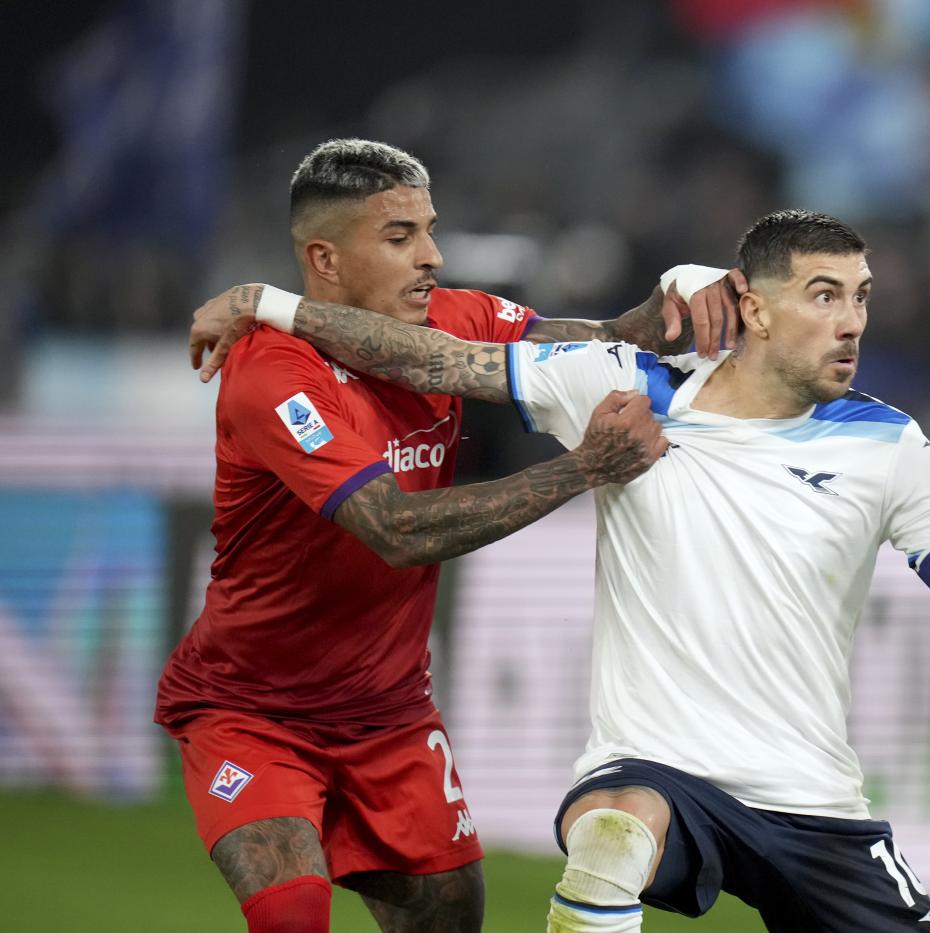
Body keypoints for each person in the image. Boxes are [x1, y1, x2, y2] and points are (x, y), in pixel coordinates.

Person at [193, 209, 930, 932]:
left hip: (813, 800)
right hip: (657, 771)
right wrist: (271, 306)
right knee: (611, 830)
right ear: (755, 306)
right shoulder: (621, 387)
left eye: (860, 296)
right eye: (823, 294)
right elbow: (437, 355)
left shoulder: (889, 444)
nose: (850, 321)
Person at [159, 138, 740, 933]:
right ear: (324, 258)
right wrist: (583, 469)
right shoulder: (273, 373)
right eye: (400, 238)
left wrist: (681, 288)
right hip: (254, 710)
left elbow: (612, 340)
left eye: (429, 230)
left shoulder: (457, 323)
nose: (432, 255)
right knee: (292, 910)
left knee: (452, 921)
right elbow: (393, 529)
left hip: (390, 716)